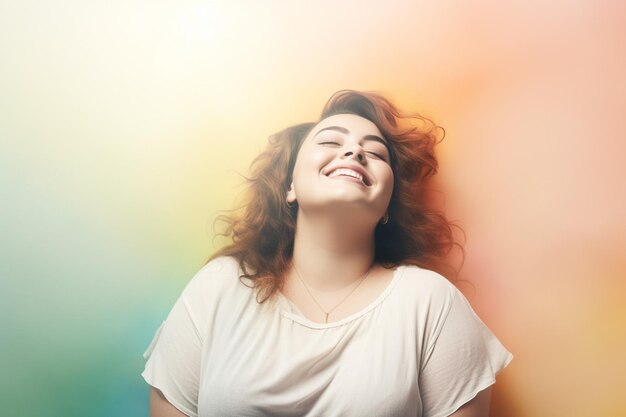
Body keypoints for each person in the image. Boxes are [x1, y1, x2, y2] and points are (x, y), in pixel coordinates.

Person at [141, 90, 513, 417]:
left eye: (375, 151)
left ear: (387, 205)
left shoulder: (431, 302)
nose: (354, 151)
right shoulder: (219, 287)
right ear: (290, 187)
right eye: (332, 142)